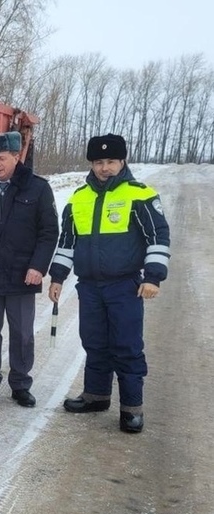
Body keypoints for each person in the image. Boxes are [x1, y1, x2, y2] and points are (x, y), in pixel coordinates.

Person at [48, 133, 171, 433]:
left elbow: (158, 237)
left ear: (122, 161)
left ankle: (131, 409)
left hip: (125, 286)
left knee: (126, 346)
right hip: (89, 286)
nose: (105, 168)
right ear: (92, 163)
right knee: (94, 342)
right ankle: (96, 395)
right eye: (99, 162)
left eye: (111, 161)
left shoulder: (139, 195)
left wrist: (153, 276)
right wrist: (58, 277)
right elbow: (67, 242)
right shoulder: (79, 198)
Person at [0, 131, 59, 407]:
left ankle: (20, 383)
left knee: (22, 333)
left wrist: (38, 266)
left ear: (16, 157)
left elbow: (49, 231)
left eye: (2, 158)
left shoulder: (37, 188)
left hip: (22, 275)